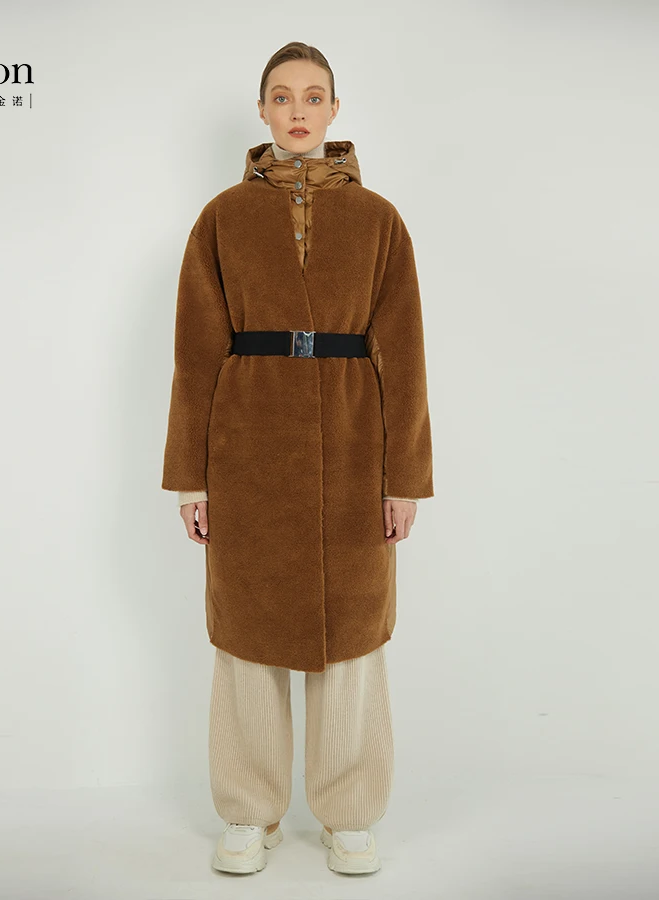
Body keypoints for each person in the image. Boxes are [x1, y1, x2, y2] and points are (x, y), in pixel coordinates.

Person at [161, 41, 433, 875]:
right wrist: (192, 475)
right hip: (248, 444)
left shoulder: (380, 219)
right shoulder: (222, 217)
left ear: (335, 110)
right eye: (282, 96)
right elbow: (195, 355)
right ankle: (250, 812)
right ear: (263, 110)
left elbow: (405, 355)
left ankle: (350, 814)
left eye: (314, 96)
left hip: (355, 443)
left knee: (353, 634)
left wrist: (403, 479)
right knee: (246, 633)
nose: (298, 110)